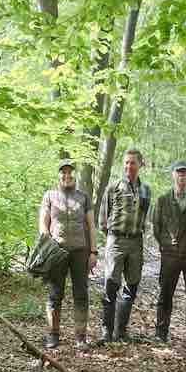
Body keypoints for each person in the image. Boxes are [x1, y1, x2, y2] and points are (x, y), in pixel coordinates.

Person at [39, 160, 97, 350]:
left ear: (75, 175)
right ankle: (52, 335)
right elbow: (43, 224)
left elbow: (91, 226)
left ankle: (81, 336)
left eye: (70, 173)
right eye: (63, 173)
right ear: (59, 175)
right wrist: (47, 246)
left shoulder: (83, 197)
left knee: (81, 293)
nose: (67, 176)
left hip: (80, 251)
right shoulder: (50, 196)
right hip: (58, 251)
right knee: (55, 294)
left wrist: (93, 251)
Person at [99, 148, 151, 342]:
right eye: (127, 162)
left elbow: (145, 215)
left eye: (133, 162)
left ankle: (121, 331)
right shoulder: (113, 187)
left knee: (132, 286)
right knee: (111, 285)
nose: (129, 166)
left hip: (136, 242)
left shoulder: (146, 190)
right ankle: (107, 331)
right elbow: (103, 219)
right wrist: (112, 238)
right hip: (116, 240)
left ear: (140, 164)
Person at [152, 161, 186, 347]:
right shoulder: (163, 200)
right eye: (178, 173)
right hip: (170, 256)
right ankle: (161, 332)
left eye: (185, 173)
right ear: (173, 175)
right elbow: (156, 228)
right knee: (165, 295)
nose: (182, 177)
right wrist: (166, 246)